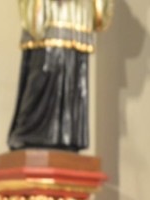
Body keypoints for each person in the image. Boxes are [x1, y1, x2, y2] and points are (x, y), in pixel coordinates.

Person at [7, 0, 114, 152]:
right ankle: (30, 133)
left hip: (76, 19)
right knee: (44, 72)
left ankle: (66, 137)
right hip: (48, 17)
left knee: (72, 79)